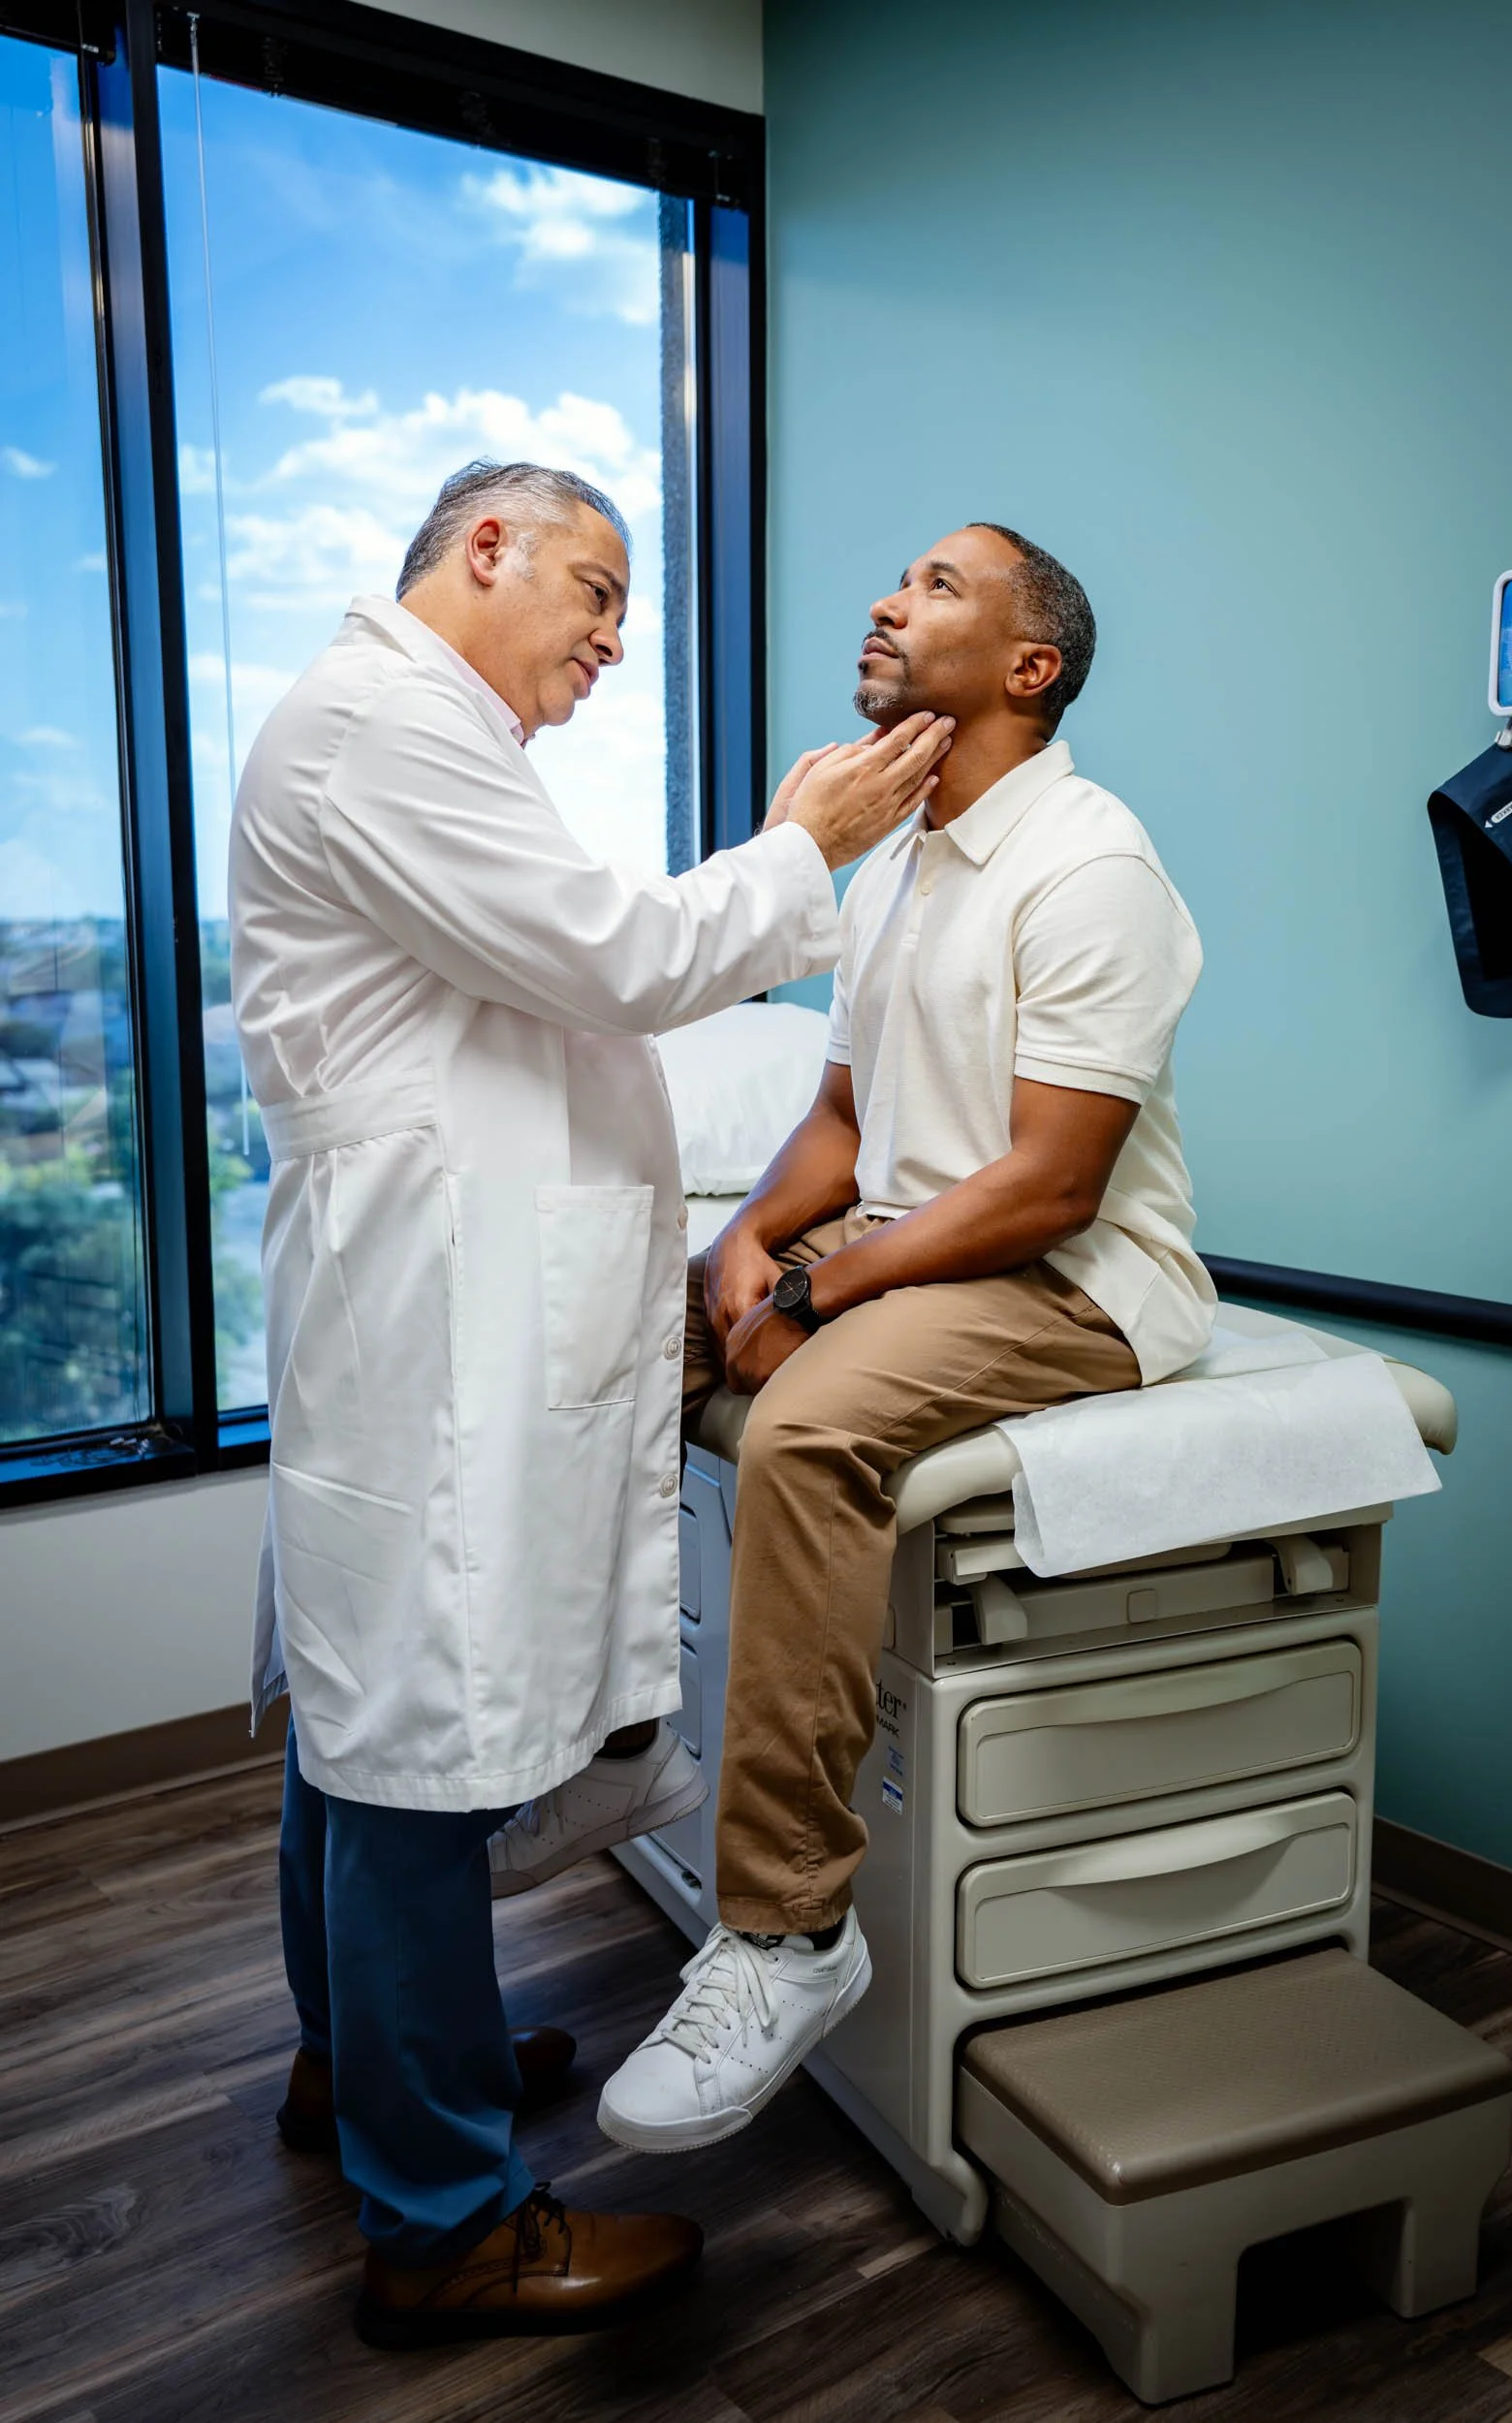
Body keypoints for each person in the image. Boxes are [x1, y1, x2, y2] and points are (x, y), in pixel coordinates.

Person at [229, 456, 953, 2344]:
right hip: (436, 1332)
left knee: (363, 1731)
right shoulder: (383, 728)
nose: (617, 635)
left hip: (427, 1310)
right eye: (595, 587)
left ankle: (364, 2074)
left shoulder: (410, 738)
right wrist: (810, 840)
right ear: (485, 548)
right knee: (404, 1758)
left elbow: (548, 995)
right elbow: (619, 962)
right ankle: (445, 2217)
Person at [592, 521, 1215, 2154]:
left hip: (1070, 1278)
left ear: (1031, 668)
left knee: (805, 1427)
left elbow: (1047, 1184)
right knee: (599, 1334)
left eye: (936, 585)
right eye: (899, 580)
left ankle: (787, 1933)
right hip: (915, 1243)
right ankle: (605, 1741)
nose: (887, 600)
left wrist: (814, 1300)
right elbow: (844, 1118)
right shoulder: (896, 865)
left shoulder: (1091, 867)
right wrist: (742, 1247)